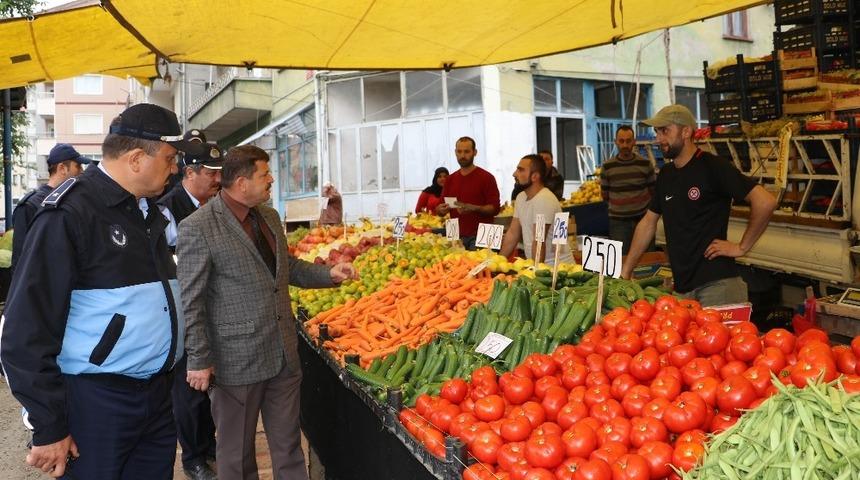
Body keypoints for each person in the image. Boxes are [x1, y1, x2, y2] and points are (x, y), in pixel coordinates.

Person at [0, 103, 204, 479]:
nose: (176, 168)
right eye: (171, 158)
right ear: (137, 158)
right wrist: (49, 424)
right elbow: (24, 330)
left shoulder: (147, 213)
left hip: (156, 397)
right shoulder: (71, 213)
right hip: (97, 402)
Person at [177, 145, 358, 480]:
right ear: (242, 182)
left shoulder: (269, 217)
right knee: (236, 454)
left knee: (289, 446)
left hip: (282, 354)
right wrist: (199, 358)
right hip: (235, 360)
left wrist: (328, 274)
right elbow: (192, 300)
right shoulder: (198, 227)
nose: (272, 179)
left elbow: (284, 267)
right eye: (265, 174)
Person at [620, 105, 777, 306]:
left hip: (717, 286)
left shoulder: (712, 166)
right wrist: (626, 270)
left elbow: (765, 201)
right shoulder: (666, 175)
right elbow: (648, 223)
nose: (658, 138)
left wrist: (741, 247)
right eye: (657, 132)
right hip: (682, 291)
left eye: (665, 131)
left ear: (686, 131)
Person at [157, 130, 222, 480]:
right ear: (189, 172)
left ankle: (210, 446)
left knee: (214, 386)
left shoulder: (217, 206)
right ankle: (193, 457)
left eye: (218, 173)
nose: (217, 179)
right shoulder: (166, 210)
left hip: (217, 308)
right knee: (189, 389)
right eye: (210, 173)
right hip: (185, 312)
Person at [10, 143, 90, 270]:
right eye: (78, 166)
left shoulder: (73, 201)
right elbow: (20, 261)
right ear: (62, 168)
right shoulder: (30, 206)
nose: (81, 171)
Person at [435, 137, 500, 249]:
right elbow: (439, 210)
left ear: (475, 152)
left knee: (488, 266)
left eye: (467, 151)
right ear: (455, 152)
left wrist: (473, 208)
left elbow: (495, 209)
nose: (462, 155)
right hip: (455, 233)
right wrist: (440, 209)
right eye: (459, 152)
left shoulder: (487, 177)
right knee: (457, 266)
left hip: (485, 233)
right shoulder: (450, 179)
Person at [600, 125, 657, 254]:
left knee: (647, 260)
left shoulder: (645, 164)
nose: (625, 145)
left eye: (628, 141)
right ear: (616, 142)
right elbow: (605, 195)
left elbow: (653, 191)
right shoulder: (607, 167)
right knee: (621, 261)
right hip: (618, 223)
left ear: (634, 141)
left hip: (643, 221)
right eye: (621, 141)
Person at [500, 154, 566, 263]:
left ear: (535, 176)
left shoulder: (544, 200)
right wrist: (497, 262)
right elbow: (512, 233)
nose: (514, 174)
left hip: (554, 269)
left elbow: (539, 241)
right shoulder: (521, 197)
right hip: (536, 265)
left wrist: (536, 273)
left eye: (521, 170)